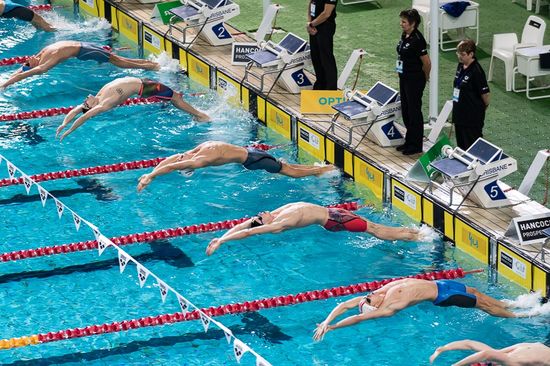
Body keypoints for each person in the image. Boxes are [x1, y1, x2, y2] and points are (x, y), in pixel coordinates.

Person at [313, 278, 527, 341]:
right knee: (484, 306)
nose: (369, 294)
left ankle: (510, 304)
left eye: (367, 297)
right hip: (443, 295)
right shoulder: (388, 307)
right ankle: (520, 315)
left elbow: (344, 305)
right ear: (375, 307)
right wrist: (332, 328)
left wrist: (326, 320)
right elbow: (357, 319)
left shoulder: (378, 293)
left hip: (442, 284)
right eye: (369, 299)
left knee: (476, 291)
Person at [206, 201, 422, 255]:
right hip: (335, 221)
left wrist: (220, 238)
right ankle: (417, 237)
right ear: (268, 223)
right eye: (261, 218)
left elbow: (245, 225)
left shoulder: (277, 213)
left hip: (334, 213)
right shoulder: (280, 223)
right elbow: (249, 231)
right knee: (375, 230)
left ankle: (411, 234)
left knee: (375, 227)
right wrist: (223, 242)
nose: (260, 215)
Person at [137, 142, 336, 192]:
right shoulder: (199, 149)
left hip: (253, 160)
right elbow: (174, 160)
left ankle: (323, 170)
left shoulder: (200, 160)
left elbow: (175, 165)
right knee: (286, 166)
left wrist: (151, 177)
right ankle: (318, 168)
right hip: (251, 153)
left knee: (289, 172)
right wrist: (150, 172)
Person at [55, 77, 209, 140]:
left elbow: (76, 111)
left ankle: (195, 113)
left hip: (143, 82)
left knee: (173, 96)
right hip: (145, 88)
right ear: (92, 107)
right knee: (175, 97)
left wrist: (63, 124)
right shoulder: (103, 104)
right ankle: (200, 115)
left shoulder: (98, 97)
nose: (85, 99)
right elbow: (83, 117)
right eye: (86, 103)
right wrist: (69, 131)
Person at [0, 41, 160, 89]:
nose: (30, 60)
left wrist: (5, 84)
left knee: (120, 63)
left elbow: (27, 72)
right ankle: (152, 64)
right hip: (84, 45)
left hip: (85, 50)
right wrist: (8, 79)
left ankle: (154, 66)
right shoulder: (41, 53)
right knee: (119, 59)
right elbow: (23, 70)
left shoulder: (46, 61)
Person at [396, 9, 431, 155]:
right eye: (402, 21)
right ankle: (409, 140)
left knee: (414, 111)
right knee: (406, 110)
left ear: (413, 23)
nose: (401, 24)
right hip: (404, 77)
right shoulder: (405, 35)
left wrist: (425, 77)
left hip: (414, 79)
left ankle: (416, 145)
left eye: (404, 22)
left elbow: (427, 62)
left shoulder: (418, 39)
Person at [452, 39, 490, 150]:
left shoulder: (477, 71)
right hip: (460, 114)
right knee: (461, 145)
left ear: (471, 54)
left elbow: (486, 95)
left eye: (462, 54)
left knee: (472, 146)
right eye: (458, 53)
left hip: (471, 116)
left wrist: (480, 109)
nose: (459, 56)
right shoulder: (460, 66)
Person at [430, 339, 550, 366]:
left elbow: (485, 354)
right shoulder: (508, 354)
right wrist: (442, 349)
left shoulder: (513, 361)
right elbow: (469, 343)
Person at [306, 0, 338, 90]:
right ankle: (320, 84)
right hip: (313, 26)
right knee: (316, 57)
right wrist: (309, 23)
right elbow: (311, 4)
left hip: (325, 27)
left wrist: (312, 24)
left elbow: (326, 13)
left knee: (326, 58)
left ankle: (330, 88)